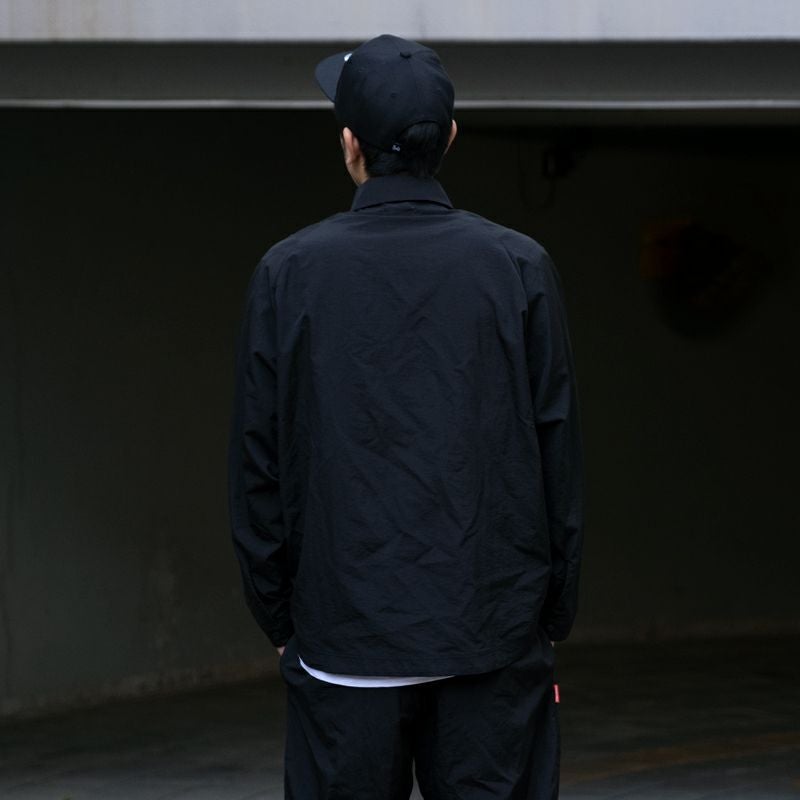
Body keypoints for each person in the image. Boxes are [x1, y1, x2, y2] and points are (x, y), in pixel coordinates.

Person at [228, 33, 585, 800]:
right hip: (492, 642)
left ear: (350, 144)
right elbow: (558, 453)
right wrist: (548, 616)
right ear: (449, 137)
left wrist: (282, 618)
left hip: (342, 647)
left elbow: (257, 468)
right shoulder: (517, 267)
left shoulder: (288, 273)